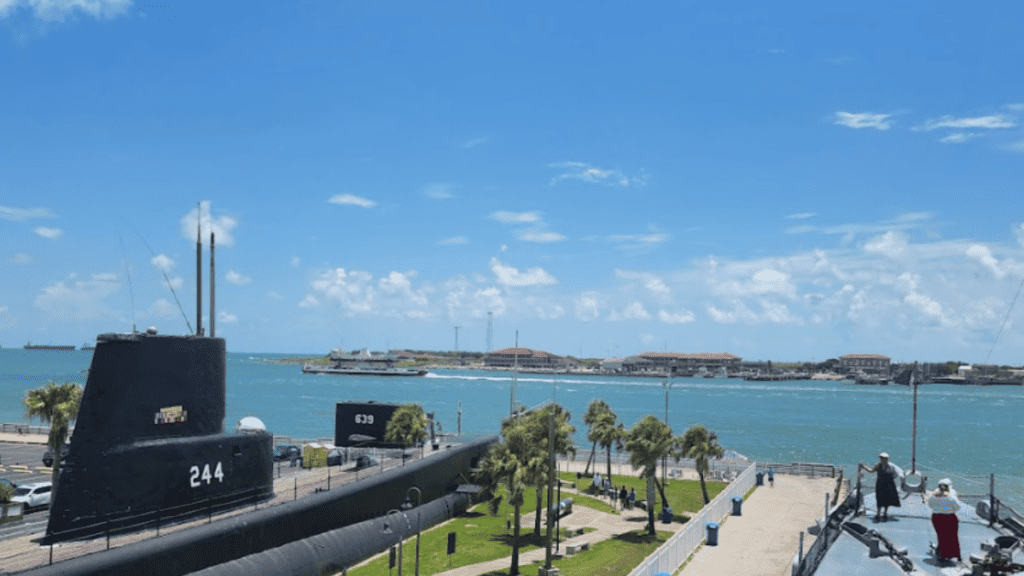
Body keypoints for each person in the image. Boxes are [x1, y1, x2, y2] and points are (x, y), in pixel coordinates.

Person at [927, 478, 962, 565]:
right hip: (950, 518)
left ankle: (942, 554)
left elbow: (930, 505)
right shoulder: (951, 496)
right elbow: (958, 507)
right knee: (952, 536)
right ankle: (956, 555)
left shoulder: (933, 495)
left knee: (941, 536)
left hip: (937, 518)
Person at [859, 452, 903, 520]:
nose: (882, 460)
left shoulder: (891, 466)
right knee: (879, 499)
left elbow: (897, 473)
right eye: (881, 458)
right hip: (880, 484)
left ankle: (885, 513)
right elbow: (871, 471)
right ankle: (878, 514)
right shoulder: (878, 465)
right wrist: (864, 467)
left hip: (889, 484)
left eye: (884, 458)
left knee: (887, 499)